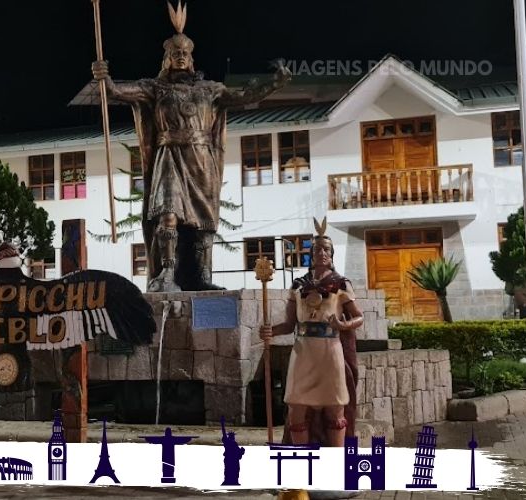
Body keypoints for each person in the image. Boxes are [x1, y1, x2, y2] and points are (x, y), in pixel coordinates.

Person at [92, 1, 289, 292]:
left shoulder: (209, 89)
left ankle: (201, 276)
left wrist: (274, 83)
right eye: (175, 53)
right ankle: (167, 274)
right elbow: (119, 92)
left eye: (185, 53)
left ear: (191, 56)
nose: (181, 57)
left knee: (202, 222)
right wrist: (104, 76)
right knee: (167, 213)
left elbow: (244, 95)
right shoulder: (155, 88)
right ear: (167, 58)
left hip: (201, 159)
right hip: (169, 156)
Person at [260, 218, 363, 447]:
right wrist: (271, 331)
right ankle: (301, 461)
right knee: (297, 408)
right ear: (311, 254)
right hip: (303, 351)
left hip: (330, 350)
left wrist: (344, 325)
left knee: (335, 408)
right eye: (317, 249)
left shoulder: (341, 284)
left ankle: (334, 465)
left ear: (332, 254)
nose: (322, 253)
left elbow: (359, 317)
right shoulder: (298, 285)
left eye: (326, 249)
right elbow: (289, 324)